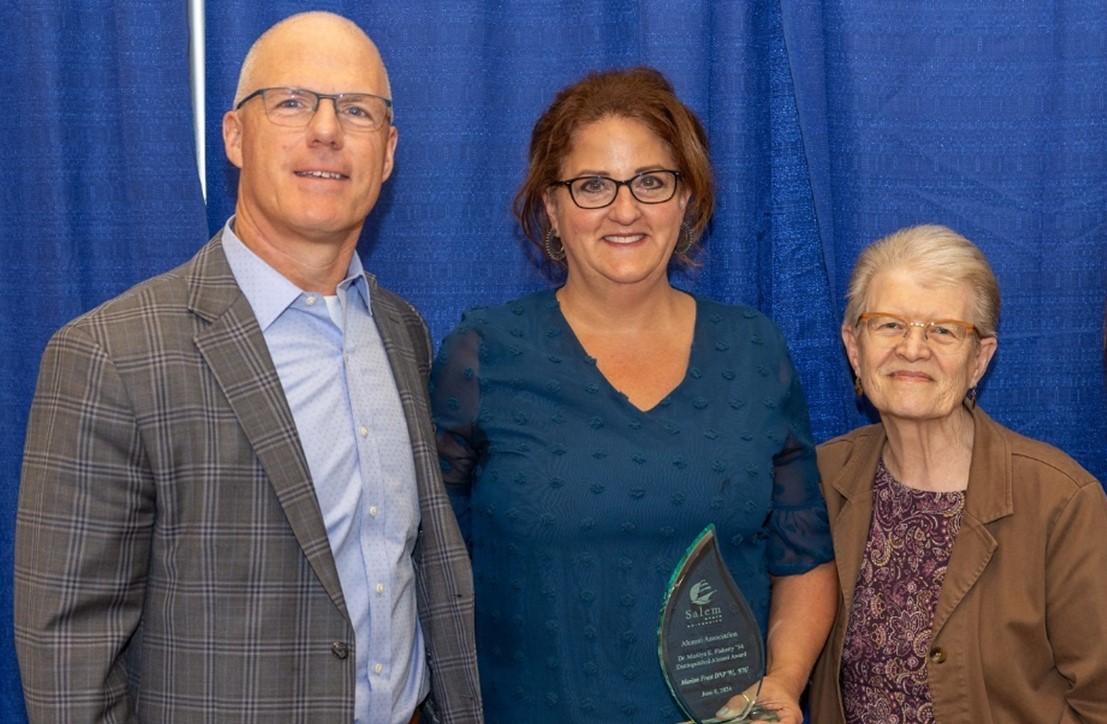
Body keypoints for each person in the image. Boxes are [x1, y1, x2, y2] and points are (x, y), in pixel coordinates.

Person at [14, 12, 481, 724]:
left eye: (356, 110)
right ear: (234, 135)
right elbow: (69, 656)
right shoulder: (109, 355)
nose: (326, 130)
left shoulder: (403, 333)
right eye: (292, 102)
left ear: (387, 152)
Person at [430, 67, 836, 723]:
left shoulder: (753, 350)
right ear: (552, 208)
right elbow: (428, 566)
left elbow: (803, 558)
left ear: (686, 200)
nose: (625, 210)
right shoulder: (483, 355)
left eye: (651, 181)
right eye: (593, 185)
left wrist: (782, 685)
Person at [809, 224, 1107, 722]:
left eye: (944, 330)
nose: (912, 349)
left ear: (979, 360)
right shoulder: (819, 477)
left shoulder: (1062, 502)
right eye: (888, 324)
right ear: (853, 348)